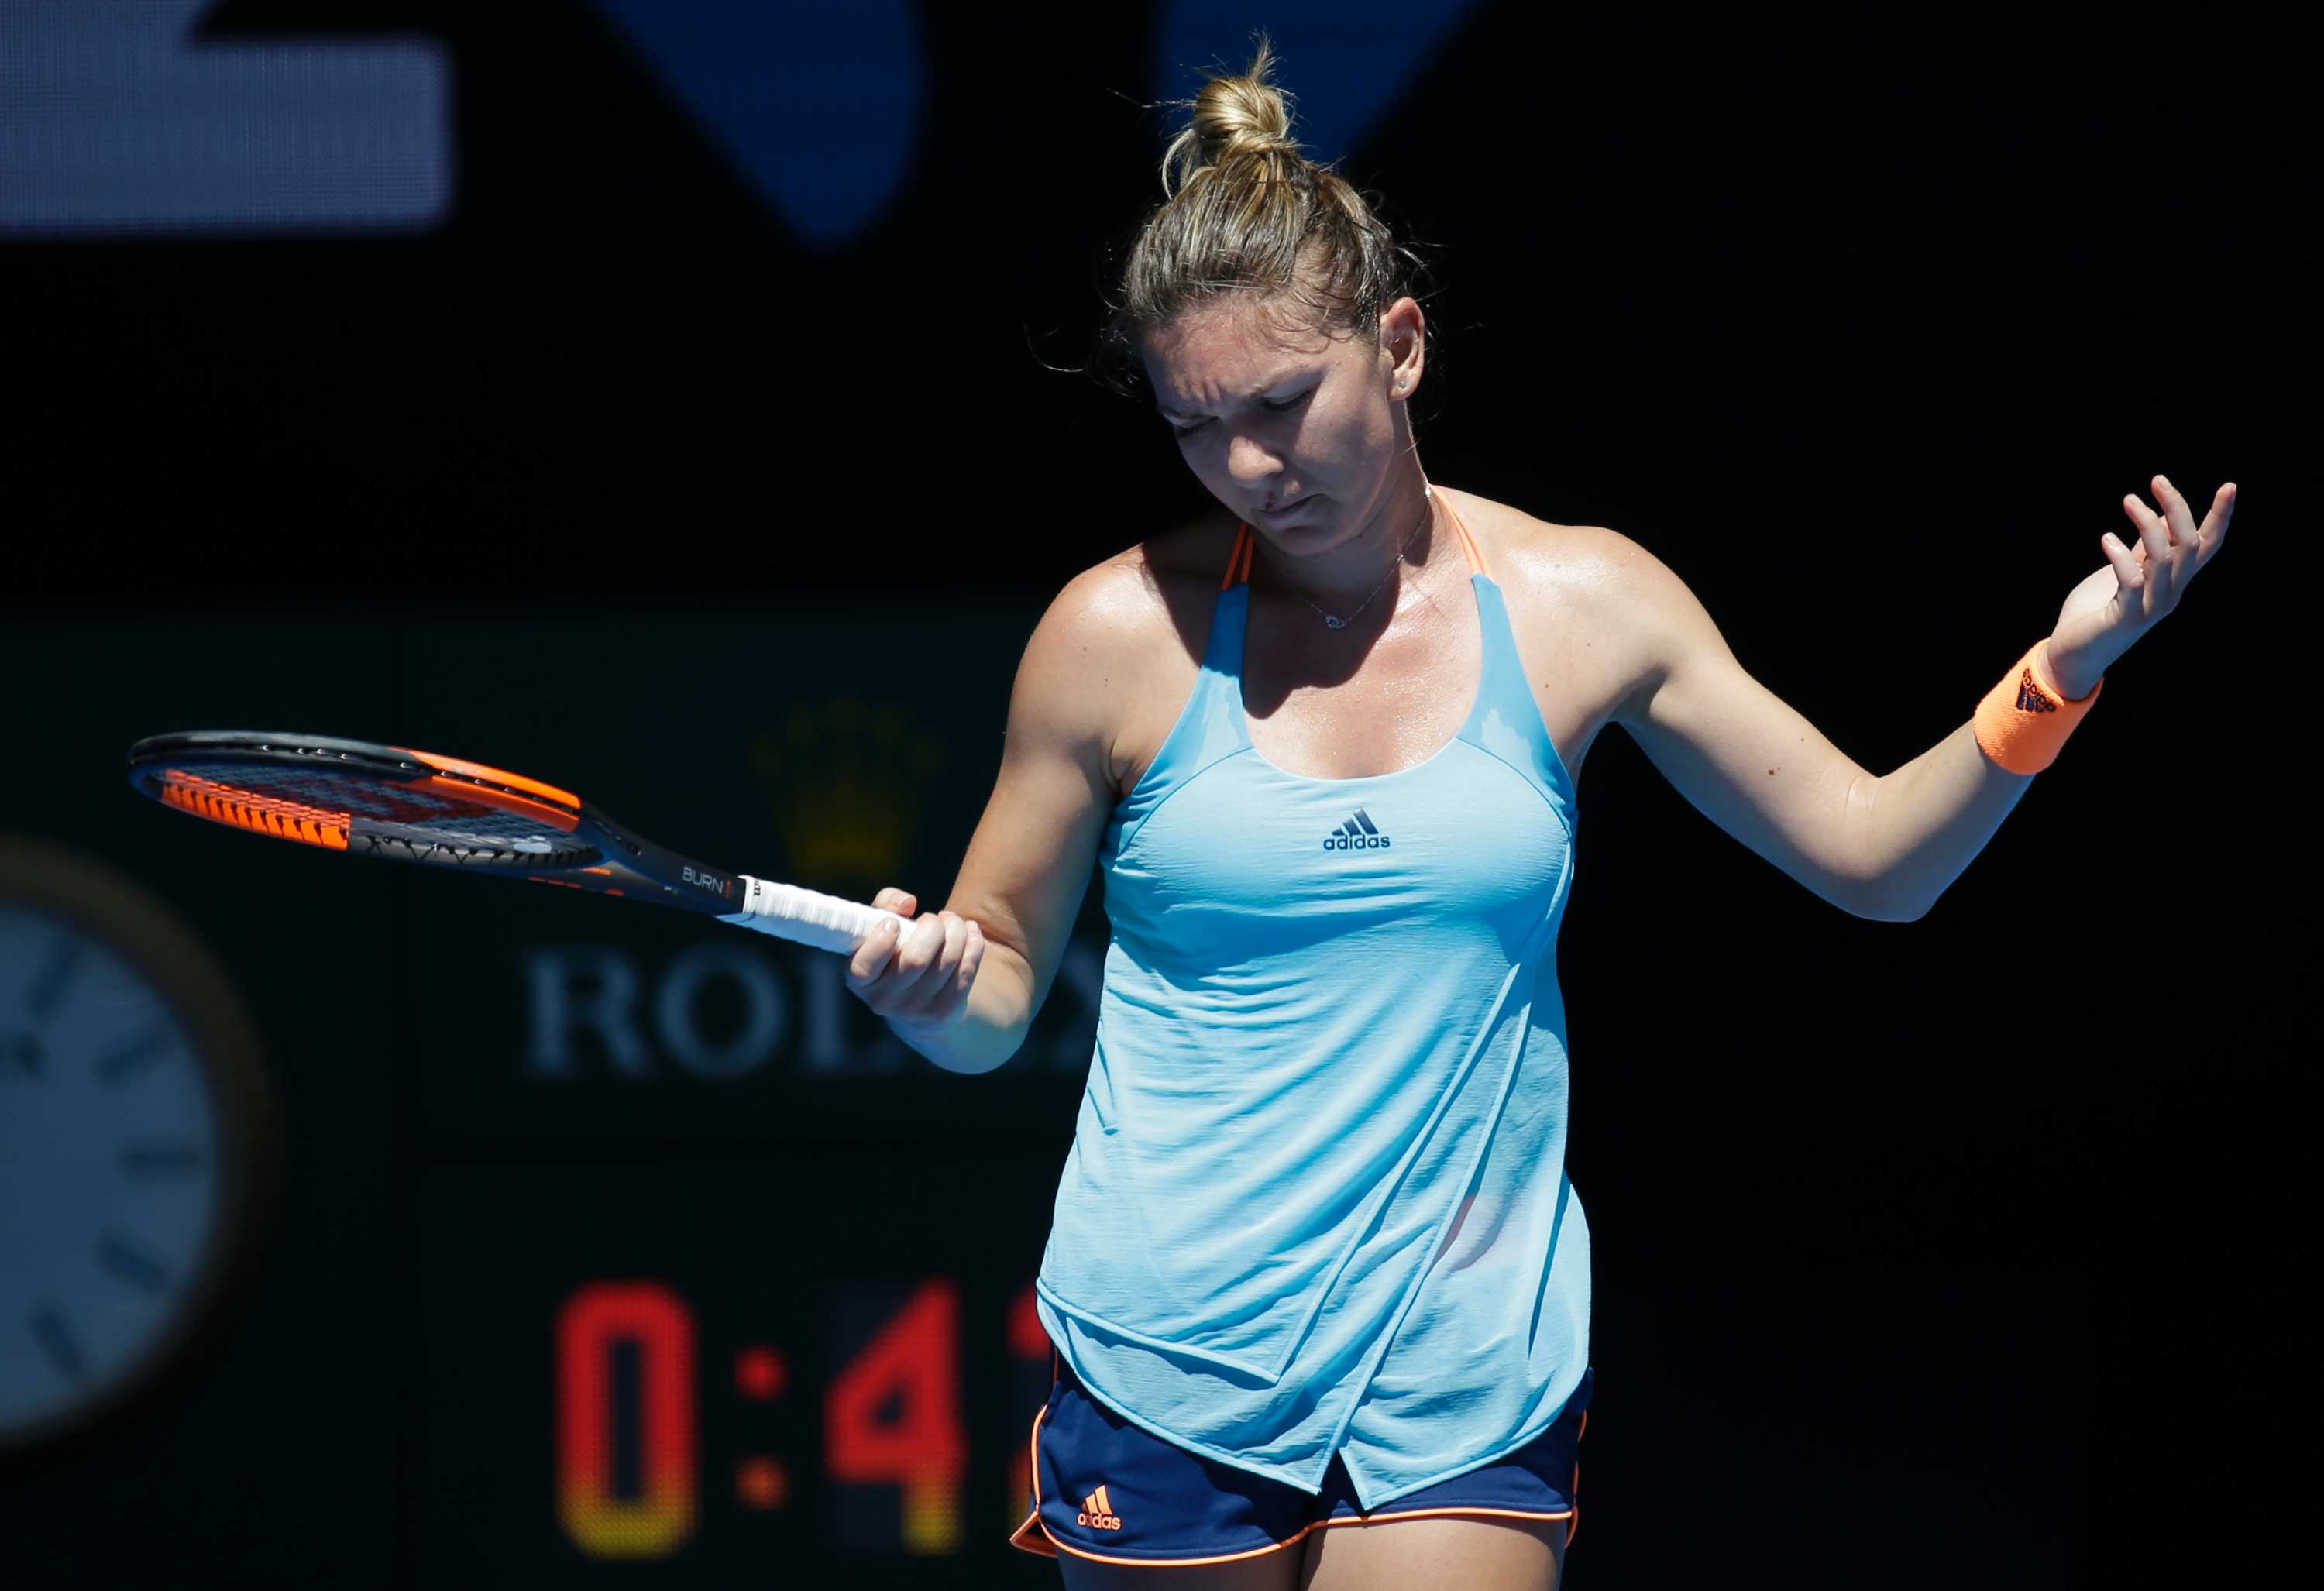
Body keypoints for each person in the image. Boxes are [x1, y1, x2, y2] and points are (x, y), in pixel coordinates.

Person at [842, 39, 2230, 1591]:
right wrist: (936, 993)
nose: (1246, 464)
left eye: (1285, 402)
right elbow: (996, 987)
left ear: (1401, 344)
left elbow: (1876, 859)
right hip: (1171, 1351)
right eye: (1193, 423)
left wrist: (2059, 673)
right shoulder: (1111, 634)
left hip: (1463, 1358)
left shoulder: (1584, 603)